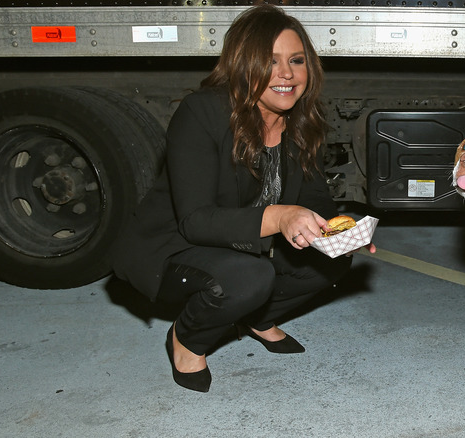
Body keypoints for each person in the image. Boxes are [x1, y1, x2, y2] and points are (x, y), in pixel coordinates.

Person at [111, 5, 375, 393]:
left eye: (297, 60)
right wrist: (280, 216)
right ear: (242, 64)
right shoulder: (202, 113)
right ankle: (187, 339)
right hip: (175, 247)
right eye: (270, 61)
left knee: (332, 261)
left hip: (245, 244)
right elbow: (195, 220)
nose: (287, 73)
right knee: (250, 277)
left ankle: (256, 317)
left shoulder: (304, 123)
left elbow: (316, 197)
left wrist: (341, 233)